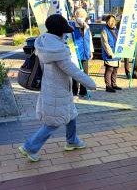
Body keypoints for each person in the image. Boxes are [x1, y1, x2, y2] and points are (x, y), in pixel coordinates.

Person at [18, 14, 96, 162]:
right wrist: (91, 83)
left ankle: (72, 141)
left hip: (54, 88)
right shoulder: (57, 51)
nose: (66, 33)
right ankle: (30, 147)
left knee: (71, 115)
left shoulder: (44, 42)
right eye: (64, 30)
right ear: (60, 31)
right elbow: (72, 70)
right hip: (57, 91)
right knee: (53, 123)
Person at [69, 8, 94, 97]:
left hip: (85, 52)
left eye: (83, 16)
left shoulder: (87, 27)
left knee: (84, 74)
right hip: (75, 53)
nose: (81, 18)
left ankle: (83, 91)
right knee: (75, 73)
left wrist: (91, 51)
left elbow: (89, 39)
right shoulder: (71, 26)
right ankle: (74, 90)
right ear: (75, 16)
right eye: (79, 16)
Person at [101, 15, 121, 93]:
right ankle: (108, 86)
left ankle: (114, 84)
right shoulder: (104, 31)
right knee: (109, 69)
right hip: (109, 54)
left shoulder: (117, 30)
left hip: (117, 53)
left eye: (113, 20)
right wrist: (110, 53)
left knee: (115, 70)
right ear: (107, 22)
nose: (112, 22)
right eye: (110, 21)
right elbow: (105, 43)